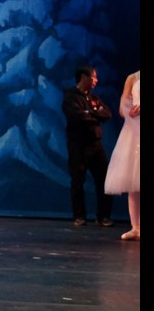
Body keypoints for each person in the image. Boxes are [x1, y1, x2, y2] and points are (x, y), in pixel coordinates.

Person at [61, 65, 114, 227]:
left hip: (96, 145)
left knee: (105, 181)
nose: (95, 81)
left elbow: (107, 114)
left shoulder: (95, 98)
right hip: (78, 145)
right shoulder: (70, 96)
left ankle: (103, 216)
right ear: (83, 77)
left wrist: (90, 113)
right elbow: (75, 116)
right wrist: (93, 113)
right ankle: (79, 216)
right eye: (93, 78)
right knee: (78, 180)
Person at [105, 70, 139, 240]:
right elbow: (122, 106)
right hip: (135, 131)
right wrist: (129, 111)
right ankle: (136, 227)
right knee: (134, 182)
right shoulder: (132, 78)